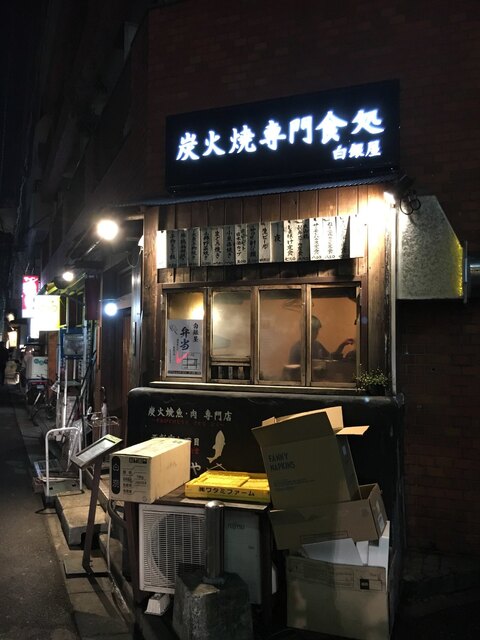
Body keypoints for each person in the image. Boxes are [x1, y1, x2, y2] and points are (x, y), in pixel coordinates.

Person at [289, 316, 355, 364]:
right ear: (307, 330)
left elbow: (330, 358)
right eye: (315, 330)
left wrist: (342, 345)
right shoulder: (296, 349)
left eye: (317, 330)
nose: (317, 333)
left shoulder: (317, 345)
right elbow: (293, 372)